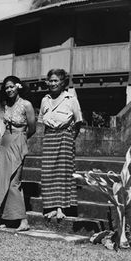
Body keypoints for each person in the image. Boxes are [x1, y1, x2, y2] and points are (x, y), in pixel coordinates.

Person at [0, 76, 36, 232]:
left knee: (14, 181)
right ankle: (4, 217)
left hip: (18, 140)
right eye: (6, 87)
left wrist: (21, 139)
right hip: (5, 142)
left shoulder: (26, 105)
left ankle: (23, 220)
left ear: (18, 87)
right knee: (2, 181)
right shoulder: (5, 105)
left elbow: (32, 128)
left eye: (11, 87)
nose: (9, 90)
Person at [38, 68, 83, 219]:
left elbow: (78, 122)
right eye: (50, 80)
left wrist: (70, 138)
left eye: (56, 80)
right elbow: (41, 120)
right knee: (48, 173)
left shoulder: (71, 99)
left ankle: (61, 209)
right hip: (49, 137)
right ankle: (50, 206)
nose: (53, 83)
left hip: (65, 138)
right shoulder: (45, 100)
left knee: (63, 173)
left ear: (63, 82)